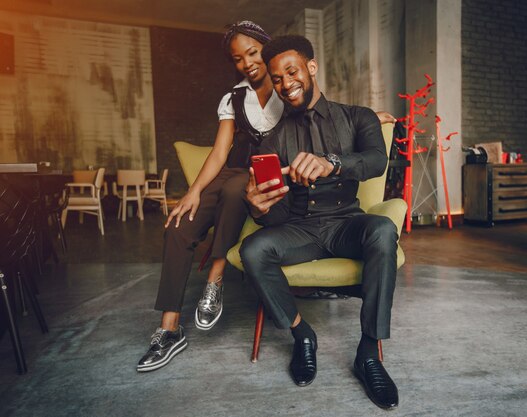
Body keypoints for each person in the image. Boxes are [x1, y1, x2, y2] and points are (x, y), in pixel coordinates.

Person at [240, 35, 400, 409]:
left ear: (311, 67)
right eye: (276, 78)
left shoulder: (358, 117)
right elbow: (275, 214)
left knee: (382, 230)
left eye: (291, 71)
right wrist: (258, 208)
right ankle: (302, 336)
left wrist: (334, 163)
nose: (285, 83)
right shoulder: (273, 140)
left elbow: (377, 161)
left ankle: (369, 354)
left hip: (346, 222)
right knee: (253, 248)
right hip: (301, 227)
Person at [136, 21, 284, 372]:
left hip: (265, 179)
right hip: (231, 172)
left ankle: (214, 280)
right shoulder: (233, 97)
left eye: (252, 52)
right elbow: (219, 153)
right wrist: (192, 192)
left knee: (236, 189)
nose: (247, 63)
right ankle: (169, 328)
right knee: (178, 226)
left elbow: (325, 111)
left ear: (267, 47)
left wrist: (369, 117)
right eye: (238, 58)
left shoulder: (286, 86)